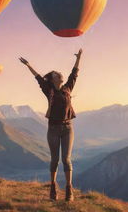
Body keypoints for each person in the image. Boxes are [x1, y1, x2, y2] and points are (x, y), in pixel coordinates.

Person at [19, 49, 82, 202]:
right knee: (55, 160)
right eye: (55, 74)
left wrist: (79, 58)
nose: (59, 74)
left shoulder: (68, 88)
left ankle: (69, 189)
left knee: (66, 159)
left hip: (68, 128)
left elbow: (74, 74)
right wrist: (28, 65)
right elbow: (38, 78)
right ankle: (53, 187)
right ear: (53, 80)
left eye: (59, 74)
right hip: (53, 128)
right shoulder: (49, 90)